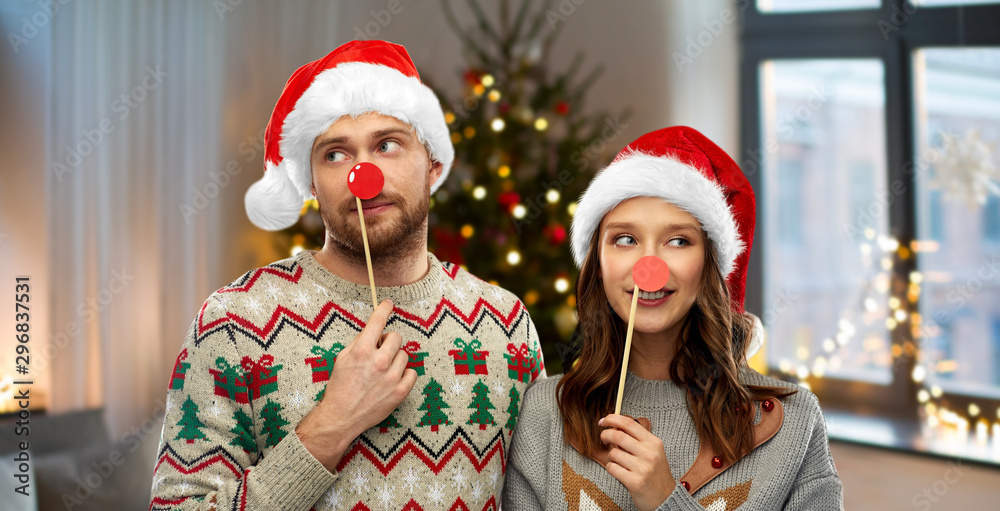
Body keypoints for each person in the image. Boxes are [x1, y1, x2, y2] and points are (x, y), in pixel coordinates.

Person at [150, 40, 545, 511]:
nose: (365, 174)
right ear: (312, 182)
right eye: (336, 154)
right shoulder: (233, 322)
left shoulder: (506, 323)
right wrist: (331, 424)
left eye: (388, 144)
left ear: (434, 164)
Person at [502, 126, 843, 510]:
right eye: (625, 239)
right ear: (598, 261)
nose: (650, 267)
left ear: (710, 265)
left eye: (678, 240)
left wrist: (665, 499)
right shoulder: (545, 411)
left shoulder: (794, 424)